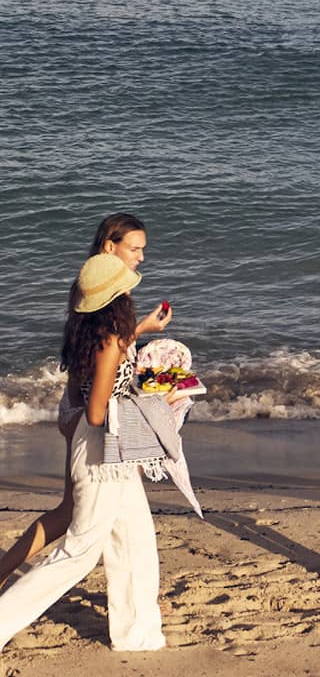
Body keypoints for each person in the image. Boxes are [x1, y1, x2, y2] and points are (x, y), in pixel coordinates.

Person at [0, 256, 166, 653]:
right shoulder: (110, 342)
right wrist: (150, 400)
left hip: (109, 449)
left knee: (135, 541)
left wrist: (140, 334)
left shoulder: (93, 332)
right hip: (100, 451)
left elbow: (94, 387)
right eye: (125, 287)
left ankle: (137, 635)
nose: (131, 291)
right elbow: (96, 411)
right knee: (79, 552)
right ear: (115, 298)